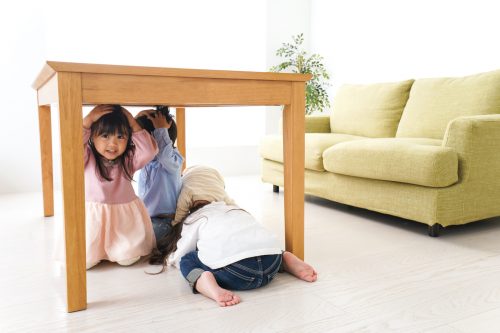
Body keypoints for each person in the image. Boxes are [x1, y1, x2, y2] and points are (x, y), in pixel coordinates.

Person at [149, 166, 318, 307]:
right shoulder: (235, 210)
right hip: (270, 262)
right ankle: (283, 258)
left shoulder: (195, 219)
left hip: (238, 273)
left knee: (187, 260)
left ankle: (207, 284)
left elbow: (182, 251)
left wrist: (171, 258)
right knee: (258, 244)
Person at [83, 104, 158, 269]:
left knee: (127, 258)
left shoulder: (128, 159)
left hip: (122, 223)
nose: (113, 144)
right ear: (92, 137)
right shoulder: (86, 156)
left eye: (120, 137)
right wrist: (87, 121)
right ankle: (96, 251)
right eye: (104, 136)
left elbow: (149, 151)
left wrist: (133, 123)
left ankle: (119, 249)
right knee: (86, 260)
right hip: (94, 220)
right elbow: (70, 146)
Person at [136, 106, 184, 245]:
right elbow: (125, 140)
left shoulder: (173, 160)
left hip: (164, 222)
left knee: (143, 239)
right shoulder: (143, 159)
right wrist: (134, 120)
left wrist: (160, 129)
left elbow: (163, 153)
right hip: (144, 218)